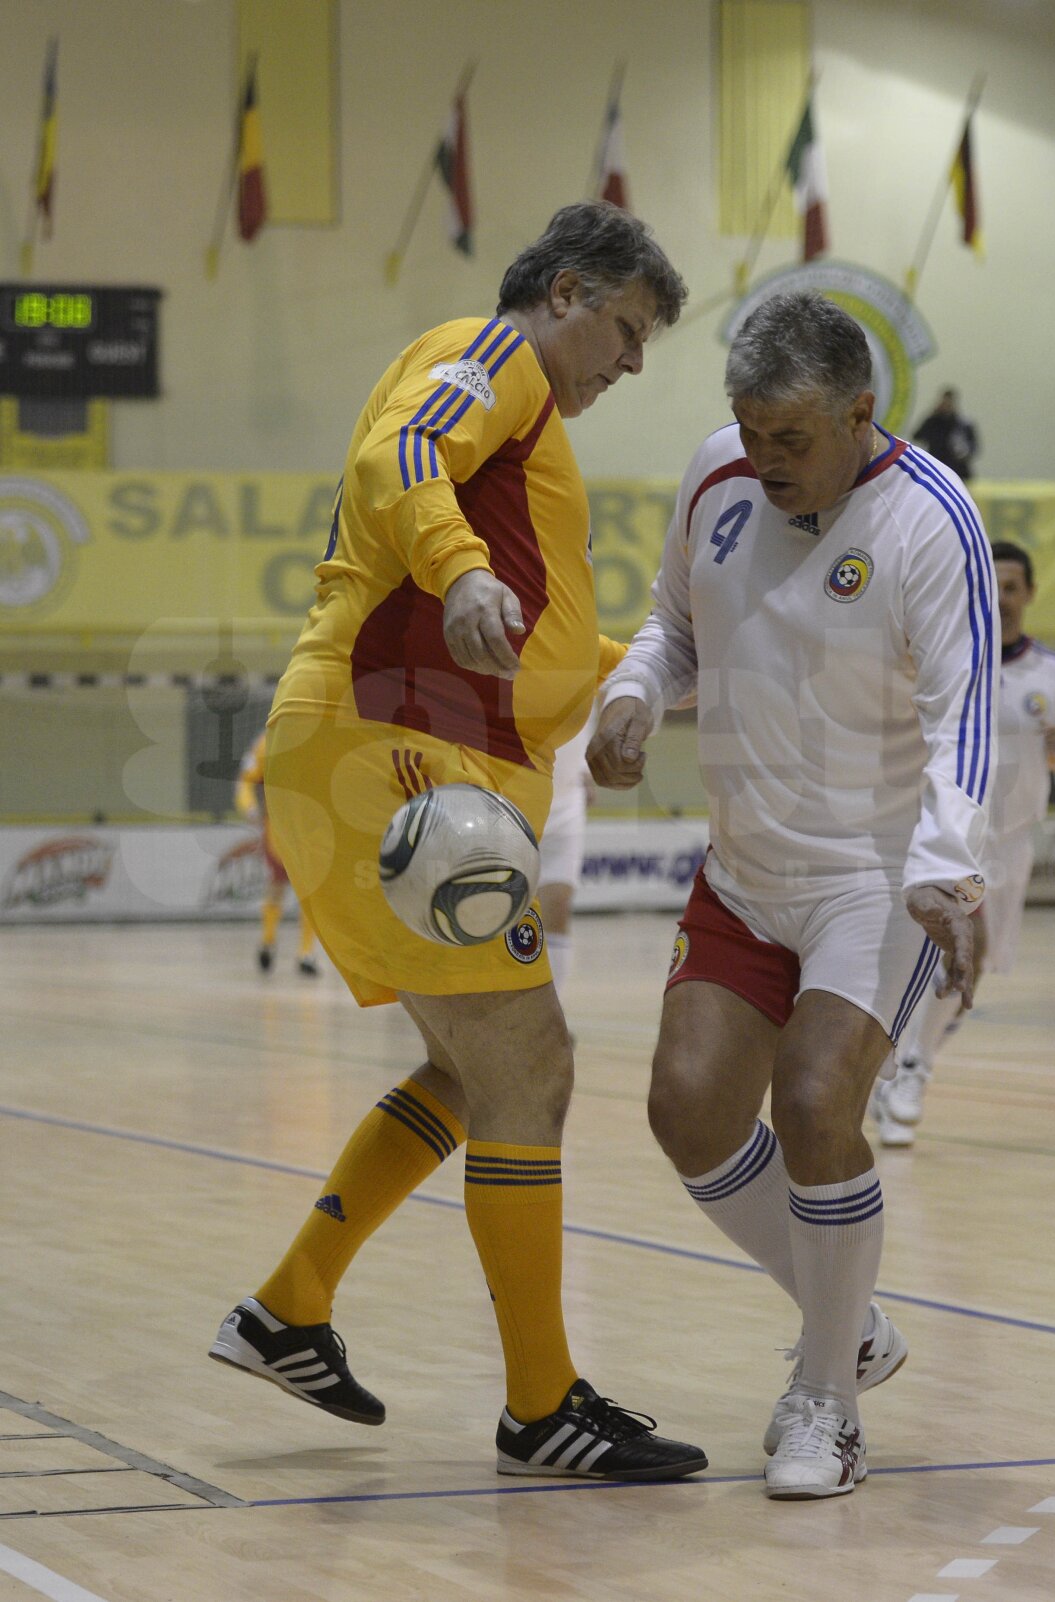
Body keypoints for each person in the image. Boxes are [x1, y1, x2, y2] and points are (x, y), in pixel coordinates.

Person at [209, 202, 707, 1483]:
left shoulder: (525, 427)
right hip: (396, 749)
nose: (631, 362)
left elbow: (546, 648)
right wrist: (459, 565)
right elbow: (406, 448)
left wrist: (666, 681)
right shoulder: (495, 355)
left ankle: (290, 1306)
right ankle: (542, 1405)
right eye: (629, 330)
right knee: (530, 1065)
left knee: (468, 1071)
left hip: (388, 752)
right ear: (567, 290)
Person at [587, 291, 997, 1499]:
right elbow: (671, 626)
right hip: (742, 871)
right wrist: (631, 696)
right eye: (750, 428)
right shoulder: (716, 474)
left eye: (792, 439)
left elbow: (965, 714)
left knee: (816, 1105)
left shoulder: (931, 519)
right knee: (686, 1110)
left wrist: (945, 865)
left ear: (860, 415)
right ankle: (848, 1321)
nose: (763, 458)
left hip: (873, 879)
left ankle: (826, 1397)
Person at [871, 540, 1055, 1147]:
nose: (1001, 597)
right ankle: (911, 1071)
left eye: (1012, 586)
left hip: (1011, 844)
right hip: (941, 832)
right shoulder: (943, 660)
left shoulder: (1053, 674)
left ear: (1030, 594)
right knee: (958, 945)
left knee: (972, 965)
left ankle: (896, 1066)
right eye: (991, 585)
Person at [235, 728, 320, 977]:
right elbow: (246, 780)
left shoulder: (315, 740)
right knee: (285, 884)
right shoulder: (267, 742)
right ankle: (277, 944)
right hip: (282, 825)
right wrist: (250, 808)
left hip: (310, 825)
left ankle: (300, 951)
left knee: (305, 889)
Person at [537, 710, 595, 1000]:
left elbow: (591, 707)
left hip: (567, 798)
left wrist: (586, 763)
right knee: (504, 911)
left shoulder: (595, 679)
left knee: (558, 907)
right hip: (512, 794)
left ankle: (553, 1005)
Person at [913, 387, 979, 480]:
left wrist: (963, 453)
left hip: (958, 469)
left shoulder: (962, 424)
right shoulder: (933, 422)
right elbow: (917, 436)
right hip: (937, 466)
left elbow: (973, 447)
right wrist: (932, 417)